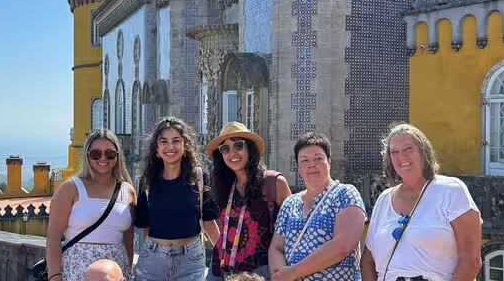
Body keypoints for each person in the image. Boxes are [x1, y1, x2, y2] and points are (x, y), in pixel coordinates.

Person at [360, 124, 482, 281]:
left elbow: (472, 261)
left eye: (408, 149)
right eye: (394, 152)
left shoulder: (451, 190)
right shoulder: (384, 199)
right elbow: (367, 260)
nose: (401, 157)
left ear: (423, 153)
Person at [269, 132, 366, 281]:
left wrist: (293, 272)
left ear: (329, 162)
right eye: (304, 160)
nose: (312, 164)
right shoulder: (290, 203)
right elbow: (276, 247)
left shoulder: (345, 194)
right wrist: (281, 274)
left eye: (318, 158)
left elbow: (342, 246)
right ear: (299, 168)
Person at [134, 117, 221, 280]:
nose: (170, 147)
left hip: (190, 260)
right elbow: (145, 227)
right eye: (164, 142)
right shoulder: (146, 182)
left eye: (176, 141)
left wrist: (225, 257)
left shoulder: (199, 178)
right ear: (156, 148)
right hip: (152, 261)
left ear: (185, 145)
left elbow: (208, 221)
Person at [205, 122, 291, 280]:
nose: (232, 153)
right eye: (225, 149)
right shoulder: (223, 185)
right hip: (220, 271)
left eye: (238, 145)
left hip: (258, 273)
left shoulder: (274, 182)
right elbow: (212, 222)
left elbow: (292, 230)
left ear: (250, 148)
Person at [46, 129, 136, 281]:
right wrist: (55, 277)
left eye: (110, 153)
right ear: (87, 155)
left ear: (118, 156)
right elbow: (53, 237)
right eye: (96, 154)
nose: (103, 158)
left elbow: (128, 237)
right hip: (77, 269)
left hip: (115, 270)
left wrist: (128, 270)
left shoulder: (127, 191)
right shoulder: (71, 189)